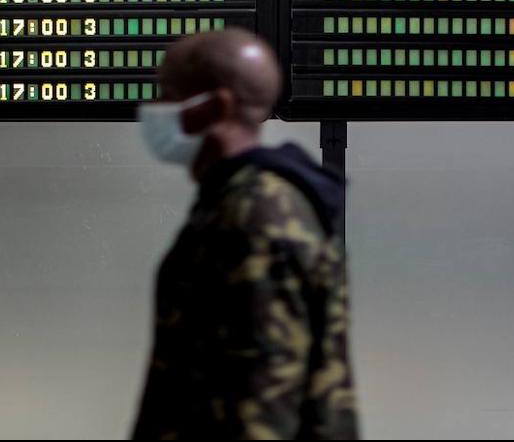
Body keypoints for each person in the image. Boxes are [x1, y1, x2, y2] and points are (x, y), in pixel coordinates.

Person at [131, 28, 359, 440]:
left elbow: (261, 400)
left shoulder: (255, 219)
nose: (154, 109)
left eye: (168, 94)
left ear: (215, 106)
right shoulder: (241, 204)